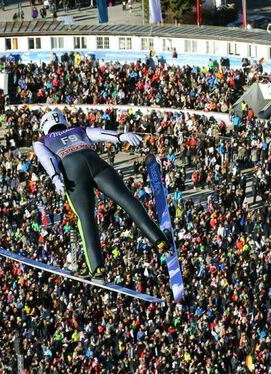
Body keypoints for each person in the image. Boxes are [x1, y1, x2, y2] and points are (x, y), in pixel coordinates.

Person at [33, 110, 170, 280]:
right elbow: (100, 133)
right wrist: (121, 136)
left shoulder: (42, 141)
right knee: (127, 200)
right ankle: (160, 240)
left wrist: (55, 178)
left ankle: (97, 268)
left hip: (72, 170)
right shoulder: (77, 130)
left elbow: (48, 159)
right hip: (95, 162)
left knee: (85, 218)